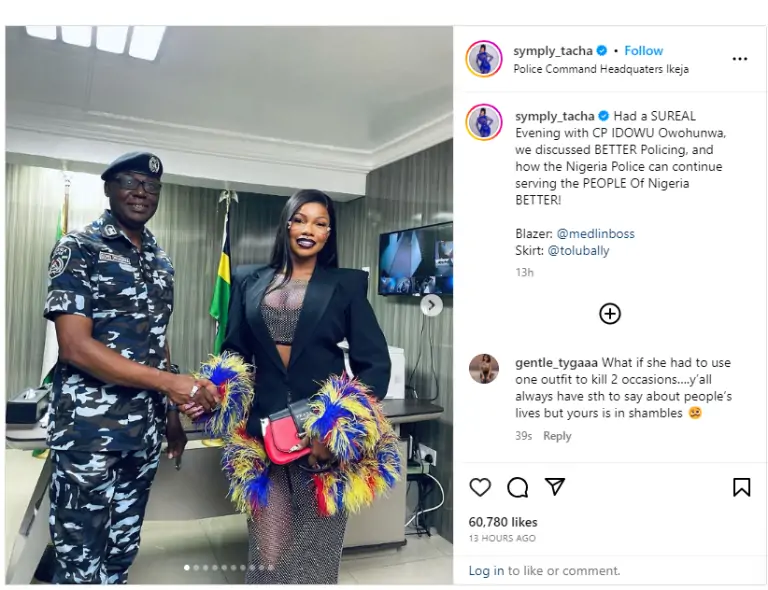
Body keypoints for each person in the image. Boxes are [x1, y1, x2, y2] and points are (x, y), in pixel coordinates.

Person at [190, 189, 391, 584]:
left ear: (328, 233)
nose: (308, 229)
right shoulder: (248, 280)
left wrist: (334, 431)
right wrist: (214, 390)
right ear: (286, 225)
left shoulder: (346, 285)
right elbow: (234, 351)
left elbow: (374, 364)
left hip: (320, 442)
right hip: (263, 437)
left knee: (315, 556)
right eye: (300, 219)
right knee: (269, 554)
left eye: (319, 223)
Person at [43, 151, 220, 584]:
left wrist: (171, 414)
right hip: (89, 436)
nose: (141, 192)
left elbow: (156, 340)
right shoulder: (79, 248)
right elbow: (75, 347)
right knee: (80, 560)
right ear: (108, 188)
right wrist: (171, 383)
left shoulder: (160, 260)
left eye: (151, 185)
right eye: (130, 182)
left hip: (142, 434)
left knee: (122, 551)